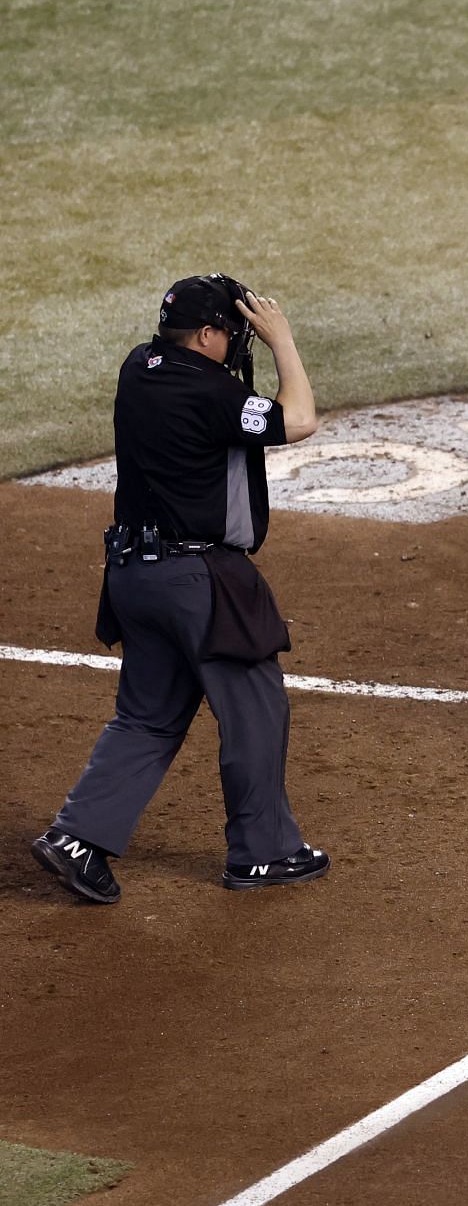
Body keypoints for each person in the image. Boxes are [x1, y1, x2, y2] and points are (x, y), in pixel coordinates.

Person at [33, 276, 327, 903]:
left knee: (148, 716)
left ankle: (78, 838)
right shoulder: (212, 392)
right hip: (199, 581)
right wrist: (284, 342)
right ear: (206, 334)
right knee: (255, 710)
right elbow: (299, 420)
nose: (238, 344)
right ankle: (263, 853)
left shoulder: (138, 367)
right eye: (233, 333)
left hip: (133, 576)